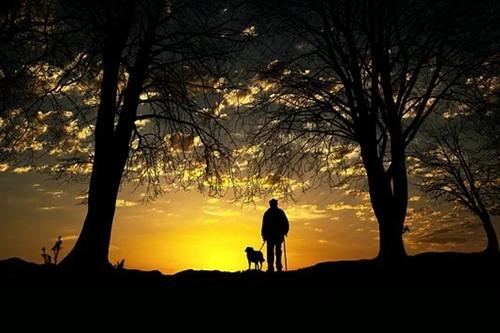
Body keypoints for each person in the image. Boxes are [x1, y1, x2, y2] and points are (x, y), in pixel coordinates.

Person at [261, 198, 289, 272]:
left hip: (276, 235)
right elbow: (264, 225)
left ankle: (276, 267)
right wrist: (264, 235)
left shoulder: (270, 213)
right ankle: (272, 267)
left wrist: (285, 231)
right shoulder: (275, 212)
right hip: (274, 235)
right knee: (274, 251)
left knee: (275, 251)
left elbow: (285, 223)